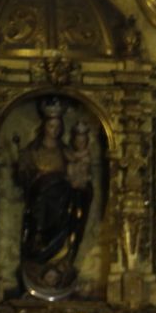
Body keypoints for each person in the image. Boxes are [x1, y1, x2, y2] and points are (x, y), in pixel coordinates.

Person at [14, 98, 93, 277]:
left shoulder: (66, 151)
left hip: (64, 205)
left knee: (70, 219)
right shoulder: (32, 151)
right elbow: (24, 179)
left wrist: (79, 186)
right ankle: (36, 259)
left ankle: (61, 260)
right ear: (44, 127)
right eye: (51, 126)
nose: (54, 130)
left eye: (58, 127)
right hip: (40, 204)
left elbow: (78, 176)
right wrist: (23, 169)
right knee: (36, 232)